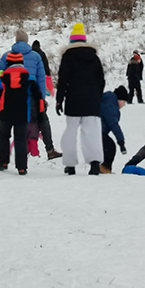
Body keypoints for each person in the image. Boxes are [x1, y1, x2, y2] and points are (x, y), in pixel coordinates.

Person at [0, 30, 61, 160]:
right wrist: (42, 98)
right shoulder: (36, 56)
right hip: (33, 95)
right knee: (43, 120)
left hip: (11, 97)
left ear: (15, 41)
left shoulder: (6, 56)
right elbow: (41, 78)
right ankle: (50, 150)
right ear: (27, 41)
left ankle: (15, 154)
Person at [56, 22, 105, 175]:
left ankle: (70, 165)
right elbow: (101, 80)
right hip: (92, 101)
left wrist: (59, 100)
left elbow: (63, 79)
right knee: (92, 133)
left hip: (73, 100)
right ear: (84, 40)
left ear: (71, 41)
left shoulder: (67, 57)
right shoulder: (94, 58)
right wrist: (97, 95)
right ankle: (95, 163)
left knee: (70, 133)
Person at [0, 52, 44, 175]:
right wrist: (41, 113)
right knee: (20, 139)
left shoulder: (1, 78)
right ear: (22, 62)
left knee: (4, 137)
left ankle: (3, 163)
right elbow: (39, 97)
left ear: (8, 63)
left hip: (5, 113)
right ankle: (22, 168)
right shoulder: (29, 78)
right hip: (23, 114)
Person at [99, 86, 129, 173]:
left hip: (94, 128)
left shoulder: (107, 100)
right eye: (124, 102)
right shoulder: (111, 106)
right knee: (110, 146)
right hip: (98, 130)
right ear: (119, 99)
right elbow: (113, 125)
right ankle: (104, 168)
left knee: (104, 146)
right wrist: (121, 141)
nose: (123, 105)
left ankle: (100, 166)